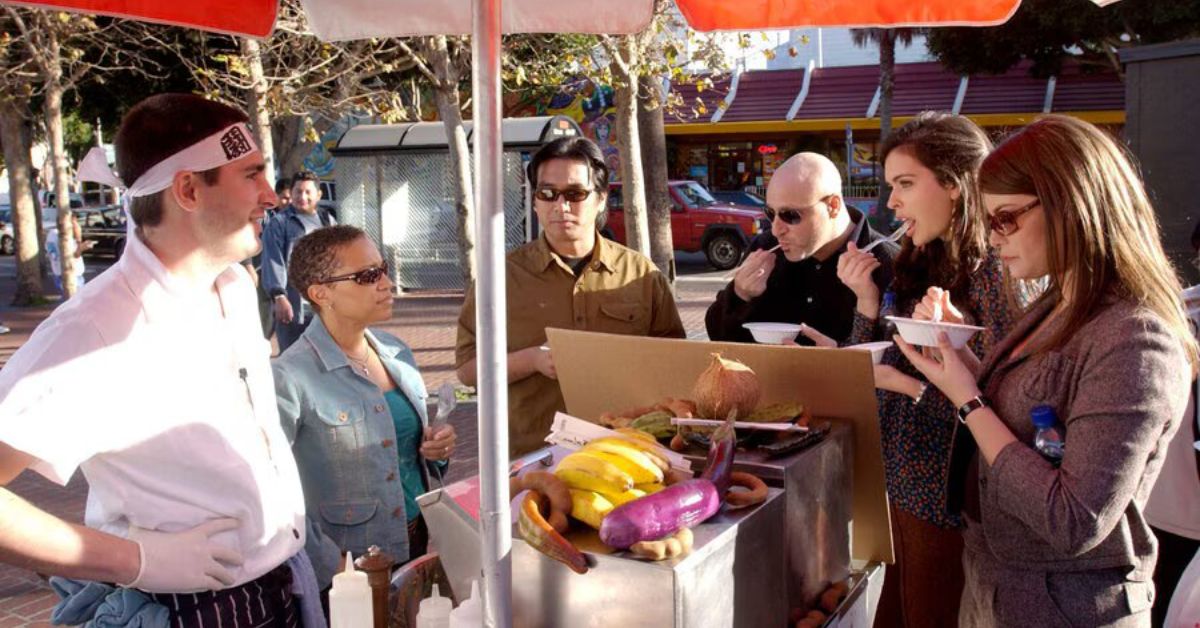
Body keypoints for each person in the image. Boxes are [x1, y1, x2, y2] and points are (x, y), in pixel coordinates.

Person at [0, 94, 310, 626]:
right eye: (252, 175)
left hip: (283, 584)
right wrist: (135, 560)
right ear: (188, 190)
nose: (271, 196)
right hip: (190, 610)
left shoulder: (234, 285)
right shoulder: (95, 330)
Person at [896, 114, 1197, 626]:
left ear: (1071, 206)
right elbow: (1026, 409)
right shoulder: (1059, 301)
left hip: (1065, 605)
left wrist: (965, 397)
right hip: (998, 581)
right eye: (989, 221)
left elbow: (1075, 518)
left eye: (1006, 218)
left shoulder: (1135, 336)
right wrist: (961, 358)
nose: (992, 238)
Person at [803, 113, 1010, 628]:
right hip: (898, 483)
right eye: (890, 185)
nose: (891, 202)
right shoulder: (919, 260)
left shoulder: (994, 271)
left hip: (948, 497)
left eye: (905, 184)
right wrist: (867, 300)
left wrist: (911, 385)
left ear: (957, 186)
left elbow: (1010, 400)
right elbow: (876, 360)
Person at [455, 136, 685, 457]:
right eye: (547, 194)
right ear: (534, 201)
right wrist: (533, 360)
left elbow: (673, 364)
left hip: (627, 456)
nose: (560, 207)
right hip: (531, 458)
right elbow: (467, 370)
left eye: (575, 194)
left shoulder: (640, 275)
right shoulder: (499, 278)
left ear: (601, 199)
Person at [273, 225, 456, 589]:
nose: (386, 283)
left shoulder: (396, 352)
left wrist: (439, 449)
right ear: (320, 293)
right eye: (368, 275)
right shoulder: (289, 376)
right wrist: (333, 564)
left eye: (383, 268)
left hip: (415, 537)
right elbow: (271, 492)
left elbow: (411, 453)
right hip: (348, 565)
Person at [704, 152, 899, 345]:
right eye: (770, 213)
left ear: (832, 206)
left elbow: (897, 358)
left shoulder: (888, 262)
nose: (776, 229)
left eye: (790, 215)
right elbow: (720, 339)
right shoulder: (766, 248)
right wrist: (739, 294)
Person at [263, 171, 336, 352]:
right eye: (297, 191)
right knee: (293, 359)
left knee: (326, 358)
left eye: (307, 192)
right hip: (294, 306)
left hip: (323, 306)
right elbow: (273, 260)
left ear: (318, 195)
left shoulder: (328, 221)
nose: (302, 197)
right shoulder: (279, 224)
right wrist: (279, 296)